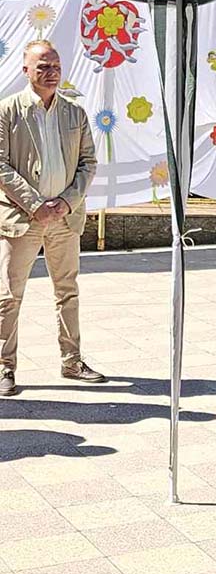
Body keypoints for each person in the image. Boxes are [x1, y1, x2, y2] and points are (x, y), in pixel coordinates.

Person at [0, 40, 102, 397]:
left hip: (64, 219)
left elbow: (88, 163)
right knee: (9, 295)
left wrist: (66, 202)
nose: (51, 72)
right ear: (26, 70)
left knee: (67, 292)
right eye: (42, 66)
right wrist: (35, 205)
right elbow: (1, 164)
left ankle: (72, 361)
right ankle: (4, 367)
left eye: (55, 65)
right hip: (21, 219)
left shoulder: (75, 113)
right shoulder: (7, 111)